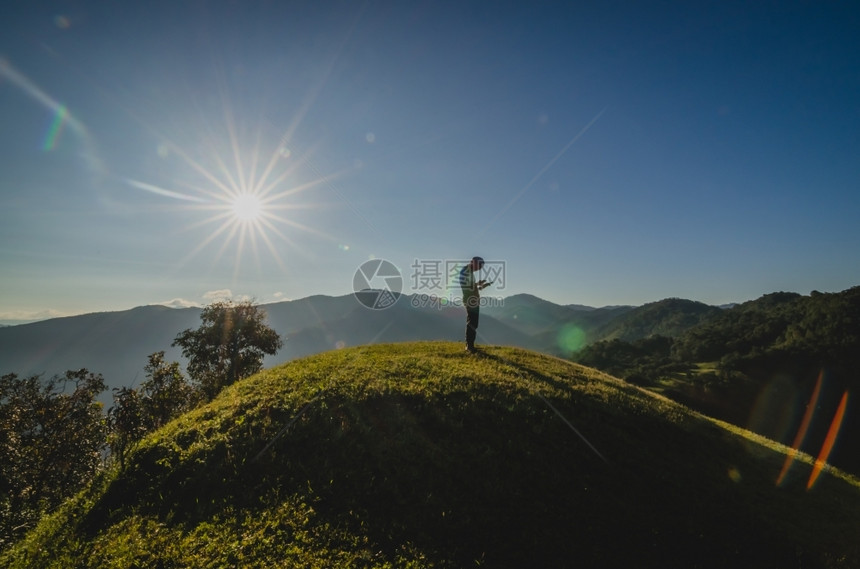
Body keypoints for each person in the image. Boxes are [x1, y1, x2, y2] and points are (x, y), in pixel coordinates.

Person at [459, 256, 491, 353]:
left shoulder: (469, 271)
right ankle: (469, 346)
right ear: (473, 262)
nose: (479, 269)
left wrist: (479, 285)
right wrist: (479, 285)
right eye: (479, 266)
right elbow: (467, 287)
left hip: (473, 300)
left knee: (473, 323)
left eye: (481, 267)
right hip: (470, 301)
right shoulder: (465, 271)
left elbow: (471, 286)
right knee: (472, 323)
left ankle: (470, 345)